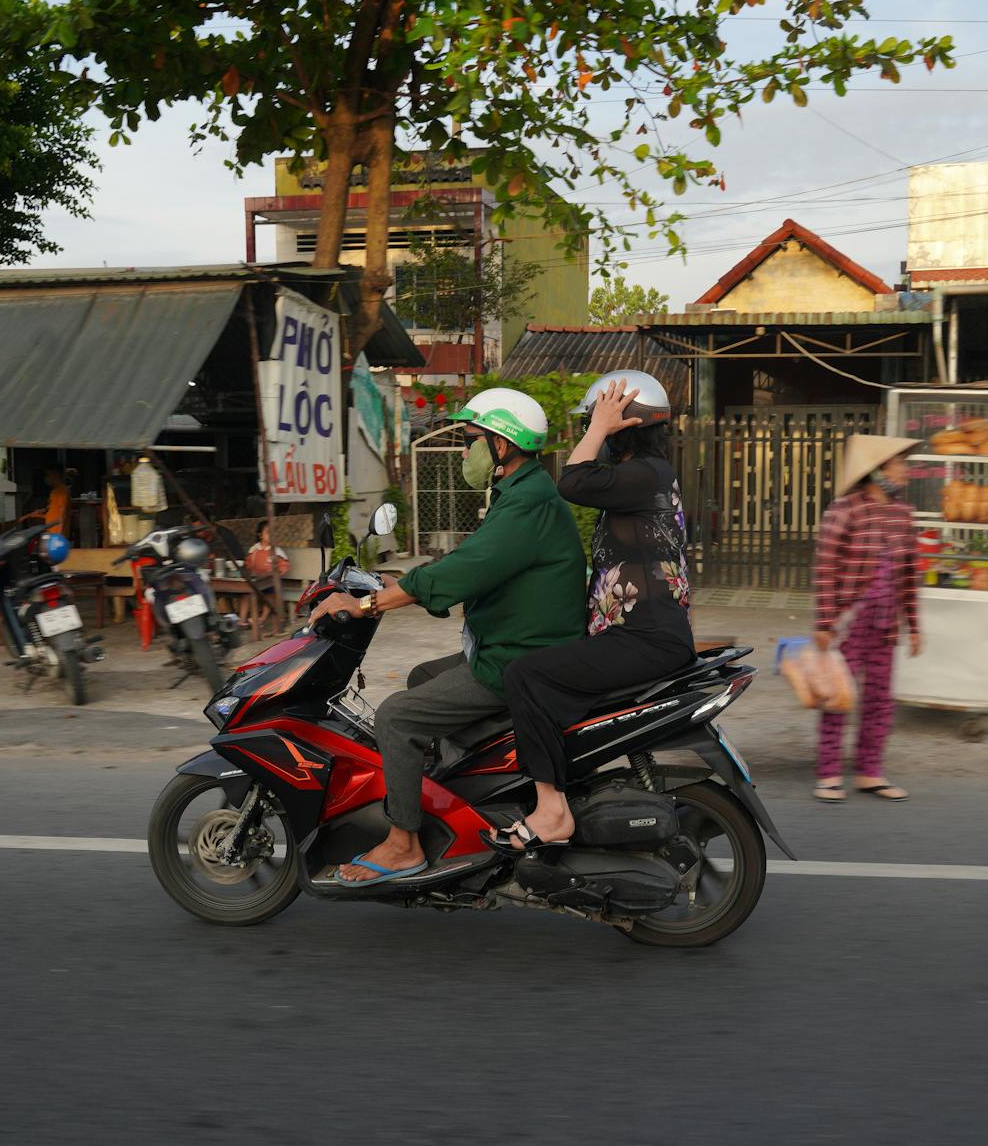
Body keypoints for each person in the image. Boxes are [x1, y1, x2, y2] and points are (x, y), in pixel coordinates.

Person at [307, 386, 587, 885]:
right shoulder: (521, 495)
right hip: (513, 647)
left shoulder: (528, 503)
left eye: (470, 439)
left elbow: (470, 569)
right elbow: (473, 564)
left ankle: (403, 844)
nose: (464, 450)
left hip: (516, 661)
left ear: (503, 445)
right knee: (420, 675)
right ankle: (462, 796)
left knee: (395, 717)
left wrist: (368, 603)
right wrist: (404, 586)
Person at [490, 372, 696, 852]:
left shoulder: (646, 473)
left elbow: (573, 481)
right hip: (636, 635)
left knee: (525, 676)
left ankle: (551, 811)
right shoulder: (642, 477)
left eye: (598, 420)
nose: (592, 429)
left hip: (644, 639)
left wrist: (599, 426)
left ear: (625, 425)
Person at [811, 434, 924, 804]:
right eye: (899, 464)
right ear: (878, 472)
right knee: (839, 697)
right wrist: (824, 623)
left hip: (885, 626)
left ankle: (869, 771)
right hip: (846, 626)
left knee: (879, 699)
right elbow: (825, 569)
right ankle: (829, 774)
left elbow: (909, 574)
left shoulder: (903, 514)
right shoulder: (844, 511)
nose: (906, 471)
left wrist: (914, 624)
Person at [242, 519, 290, 634]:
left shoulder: (276, 551)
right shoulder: (254, 549)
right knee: (246, 593)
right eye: (268, 532)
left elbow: (284, 565)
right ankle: (242, 620)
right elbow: (247, 564)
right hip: (256, 580)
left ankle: (261, 619)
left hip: (271, 582)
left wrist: (277, 573)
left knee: (271, 594)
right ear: (260, 535)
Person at [21, 466, 72, 535]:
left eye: (48, 475)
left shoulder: (61, 491)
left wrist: (60, 532)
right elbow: (54, 510)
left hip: (57, 532)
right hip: (52, 529)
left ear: (55, 475)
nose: (46, 478)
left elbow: (62, 512)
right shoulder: (55, 491)